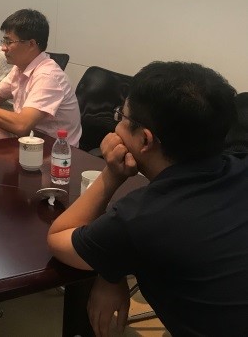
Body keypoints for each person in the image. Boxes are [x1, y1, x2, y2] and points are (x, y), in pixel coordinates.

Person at [47, 61, 248, 337]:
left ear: (144, 140)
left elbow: (58, 238)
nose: (117, 125)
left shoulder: (143, 216)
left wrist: (111, 175)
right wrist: (110, 269)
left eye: (121, 116)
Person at [0, 9, 81, 145]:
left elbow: (21, 125)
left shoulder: (47, 76)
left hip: (55, 151)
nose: (3, 48)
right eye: (4, 41)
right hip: (29, 142)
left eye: (9, 42)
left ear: (31, 44)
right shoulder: (19, 68)